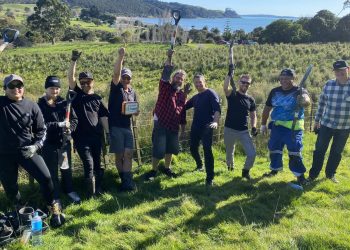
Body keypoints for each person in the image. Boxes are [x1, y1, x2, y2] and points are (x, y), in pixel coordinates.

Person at [0, 74, 65, 227]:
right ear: (5, 89)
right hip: (4, 153)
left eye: (19, 85)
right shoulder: (0, 103)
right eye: (12, 86)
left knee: (46, 178)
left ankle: (52, 206)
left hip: (27, 150)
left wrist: (36, 146)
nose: (17, 89)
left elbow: (42, 130)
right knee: (10, 185)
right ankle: (19, 209)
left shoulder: (31, 105)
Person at [68, 50, 109, 197]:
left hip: (96, 137)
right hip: (81, 138)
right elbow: (71, 78)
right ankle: (90, 193)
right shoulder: (77, 94)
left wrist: (108, 134)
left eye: (88, 81)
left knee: (98, 164)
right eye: (82, 82)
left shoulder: (97, 98)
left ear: (93, 81)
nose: (85, 84)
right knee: (89, 163)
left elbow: (104, 117)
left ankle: (98, 189)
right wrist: (73, 61)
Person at [144, 49, 190, 180]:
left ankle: (166, 168)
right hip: (161, 123)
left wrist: (183, 127)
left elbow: (181, 111)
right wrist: (169, 57)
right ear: (173, 78)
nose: (179, 80)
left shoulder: (181, 95)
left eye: (181, 79)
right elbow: (166, 72)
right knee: (159, 149)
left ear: (183, 81)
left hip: (173, 126)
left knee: (170, 148)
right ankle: (153, 171)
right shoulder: (165, 87)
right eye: (177, 77)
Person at [260, 68, 311, 185]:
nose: (284, 81)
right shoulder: (274, 91)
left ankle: (300, 176)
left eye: (287, 78)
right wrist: (263, 124)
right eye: (282, 78)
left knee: (294, 151)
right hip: (277, 126)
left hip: (294, 128)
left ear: (293, 79)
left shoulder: (300, 91)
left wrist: (303, 100)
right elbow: (267, 108)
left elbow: (307, 101)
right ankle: (275, 169)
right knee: (274, 148)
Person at [38, 76, 81, 203]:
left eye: (57, 88)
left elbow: (74, 120)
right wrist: (59, 124)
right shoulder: (40, 106)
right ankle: (55, 196)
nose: (55, 91)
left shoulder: (65, 103)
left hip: (63, 143)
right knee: (51, 172)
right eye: (52, 88)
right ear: (46, 89)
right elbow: (41, 126)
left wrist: (70, 129)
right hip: (48, 144)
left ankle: (69, 190)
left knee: (66, 169)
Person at [308, 60, 350, 183]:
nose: (340, 73)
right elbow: (321, 104)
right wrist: (317, 121)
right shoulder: (329, 84)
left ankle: (330, 174)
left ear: (348, 69)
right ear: (334, 72)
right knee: (319, 150)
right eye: (337, 71)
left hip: (345, 127)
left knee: (336, 152)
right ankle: (313, 175)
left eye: (342, 70)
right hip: (326, 124)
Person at [108, 47, 138, 191]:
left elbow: (135, 109)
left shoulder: (132, 91)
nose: (126, 79)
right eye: (124, 77)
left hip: (127, 127)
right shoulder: (116, 87)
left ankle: (127, 181)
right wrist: (121, 57)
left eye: (128, 78)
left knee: (128, 154)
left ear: (131, 79)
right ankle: (123, 180)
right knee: (119, 155)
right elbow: (115, 73)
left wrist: (135, 111)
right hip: (116, 126)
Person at [184, 74, 221, 186]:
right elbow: (184, 106)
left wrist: (215, 121)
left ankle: (210, 178)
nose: (198, 84)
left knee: (207, 150)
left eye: (200, 82)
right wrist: (184, 94)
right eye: (196, 82)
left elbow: (217, 109)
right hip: (196, 126)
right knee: (193, 148)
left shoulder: (210, 93)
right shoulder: (196, 97)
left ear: (204, 82)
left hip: (207, 126)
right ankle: (200, 165)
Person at [223, 70, 257, 180]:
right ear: (239, 82)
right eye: (243, 82)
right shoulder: (232, 94)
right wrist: (229, 74)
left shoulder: (251, 100)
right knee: (229, 150)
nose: (245, 85)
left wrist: (254, 127)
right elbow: (225, 88)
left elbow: (253, 116)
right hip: (229, 129)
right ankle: (230, 166)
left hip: (243, 131)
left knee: (251, 154)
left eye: (248, 83)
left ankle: (245, 171)